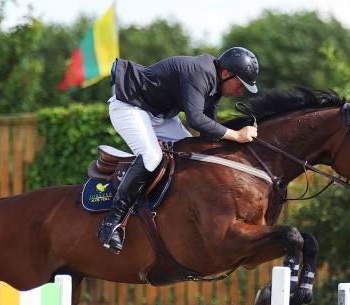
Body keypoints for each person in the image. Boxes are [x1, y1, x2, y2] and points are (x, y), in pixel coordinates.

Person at [97, 47, 260, 253]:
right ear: (226, 74)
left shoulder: (215, 83)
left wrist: (237, 141)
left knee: (194, 154)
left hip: (161, 116)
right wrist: (236, 135)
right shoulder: (199, 72)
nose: (240, 92)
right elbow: (196, 120)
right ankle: (111, 223)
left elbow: (208, 131)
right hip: (129, 107)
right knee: (152, 156)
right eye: (240, 84)